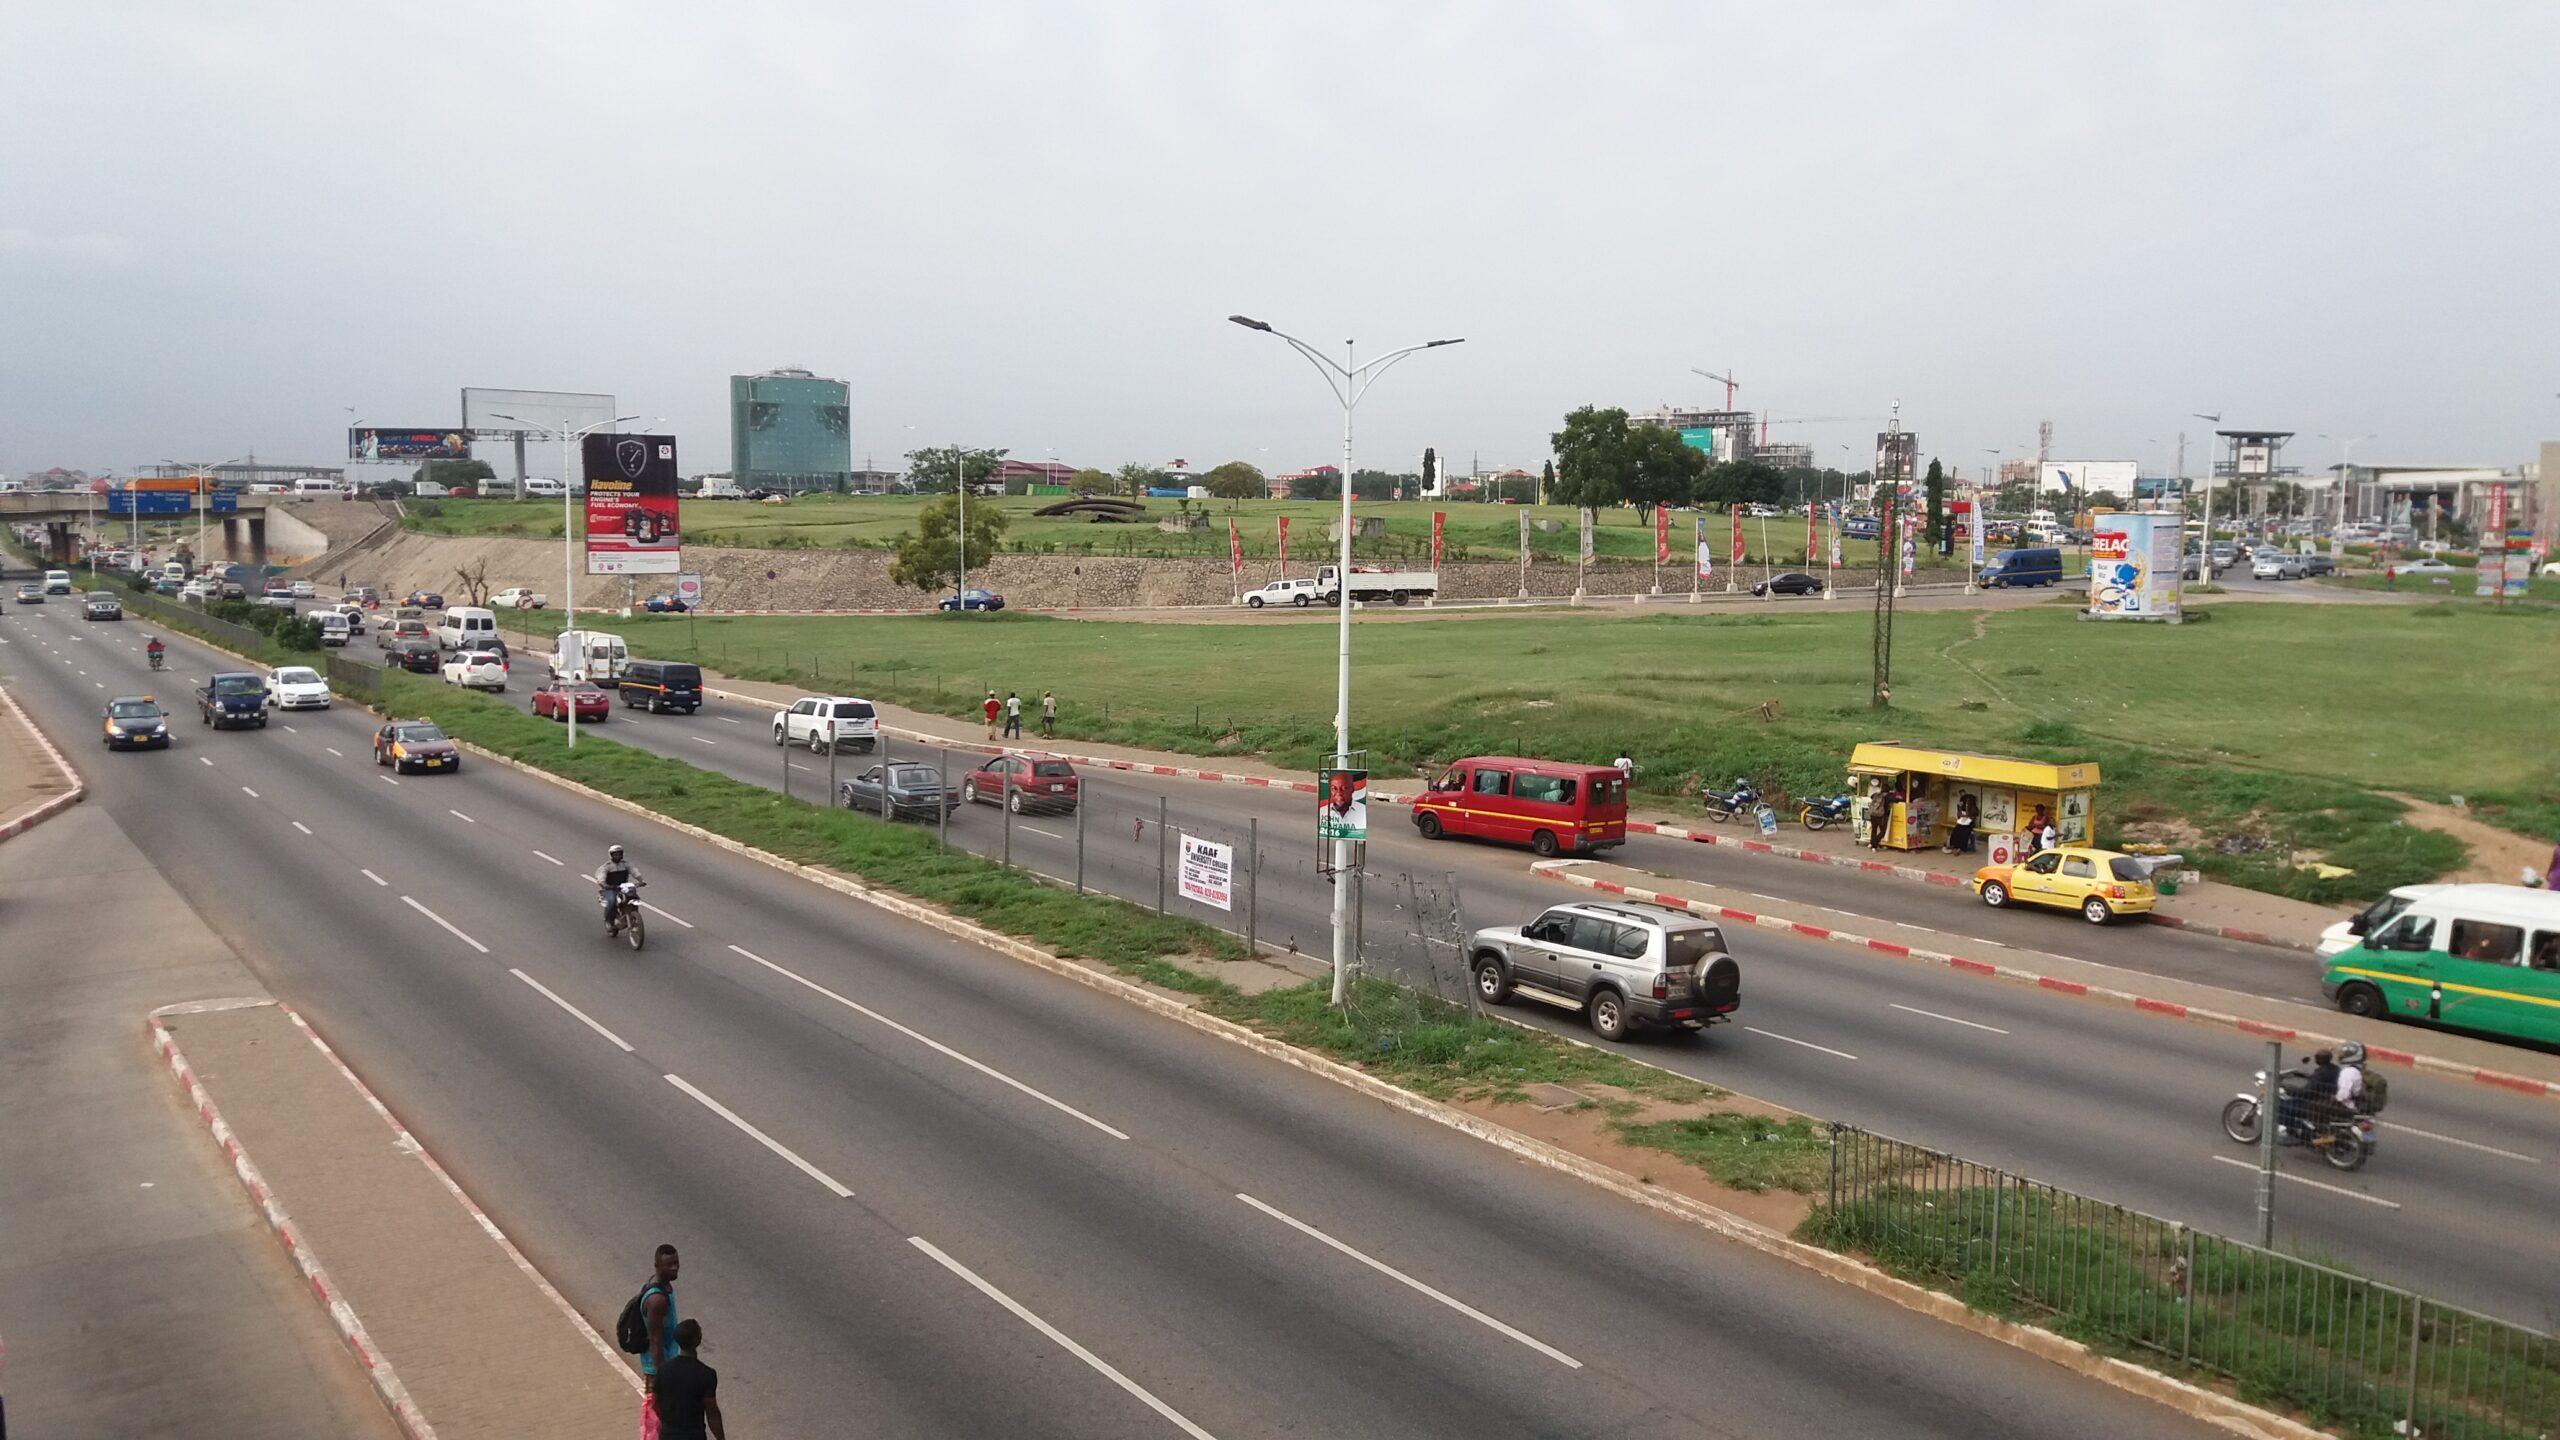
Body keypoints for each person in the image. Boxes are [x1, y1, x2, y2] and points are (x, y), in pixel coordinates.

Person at [652, 1319, 726, 1440]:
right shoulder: (706, 1374)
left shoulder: (663, 1370)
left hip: (668, 1435)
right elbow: (712, 1413)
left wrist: (668, 1423)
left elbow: (655, 1403)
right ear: (698, 1340)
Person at [639, 1244, 682, 1399]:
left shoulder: (664, 1286)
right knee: (657, 1420)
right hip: (659, 1369)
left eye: (676, 1263)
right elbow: (655, 1340)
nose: (675, 1268)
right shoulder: (657, 1300)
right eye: (669, 1265)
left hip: (666, 1364)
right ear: (657, 1266)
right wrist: (661, 1379)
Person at [600, 844, 639, 932]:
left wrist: (641, 880)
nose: (617, 856)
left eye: (619, 854)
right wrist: (604, 884)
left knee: (634, 898)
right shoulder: (607, 866)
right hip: (611, 888)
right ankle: (609, 921)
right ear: (611, 855)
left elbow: (634, 872)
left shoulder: (625, 865)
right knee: (612, 901)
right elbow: (601, 877)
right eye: (615, 854)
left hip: (623, 887)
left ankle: (634, 919)